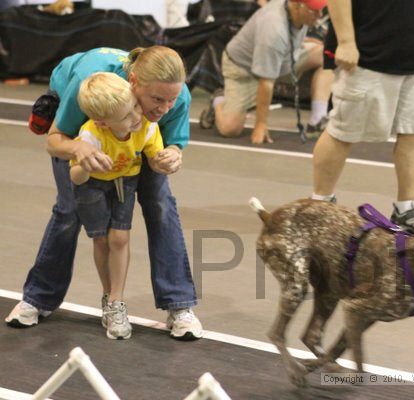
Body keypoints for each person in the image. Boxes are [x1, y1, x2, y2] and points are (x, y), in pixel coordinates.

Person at [5, 46, 203, 341]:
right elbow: (56, 139)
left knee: (160, 202)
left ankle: (180, 305)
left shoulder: (176, 98)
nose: (164, 107)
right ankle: (38, 298)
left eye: (171, 99)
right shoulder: (91, 84)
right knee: (70, 208)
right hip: (83, 127)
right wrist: (79, 148)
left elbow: (173, 144)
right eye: (157, 99)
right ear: (133, 81)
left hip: (137, 139)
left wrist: (172, 154)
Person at [311, 0, 414, 232]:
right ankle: (320, 205)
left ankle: (407, 209)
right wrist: (345, 41)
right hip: (366, 54)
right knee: (342, 133)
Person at [70, 72, 166, 340]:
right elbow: (75, 177)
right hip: (92, 186)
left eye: (135, 106)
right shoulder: (91, 134)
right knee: (101, 240)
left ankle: (116, 301)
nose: (135, 117)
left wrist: (168, 158)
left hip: (125, 181)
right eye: (125, 116)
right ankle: (106, 293)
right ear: (102, 122)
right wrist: (85, 163)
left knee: (120, 238)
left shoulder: (146, 126)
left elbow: (156, 159)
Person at [199, 0, 333, 144]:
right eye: (314, 10)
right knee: (229, 129)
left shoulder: (296, 13)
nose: (319, 15)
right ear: (296, 6)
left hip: (283, 58)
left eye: (320, 9)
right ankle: (219, 99)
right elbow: (266, 82)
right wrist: (260, 124)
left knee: (328, 55)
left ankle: (317, 120)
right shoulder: (273, 28)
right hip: (243, 70)